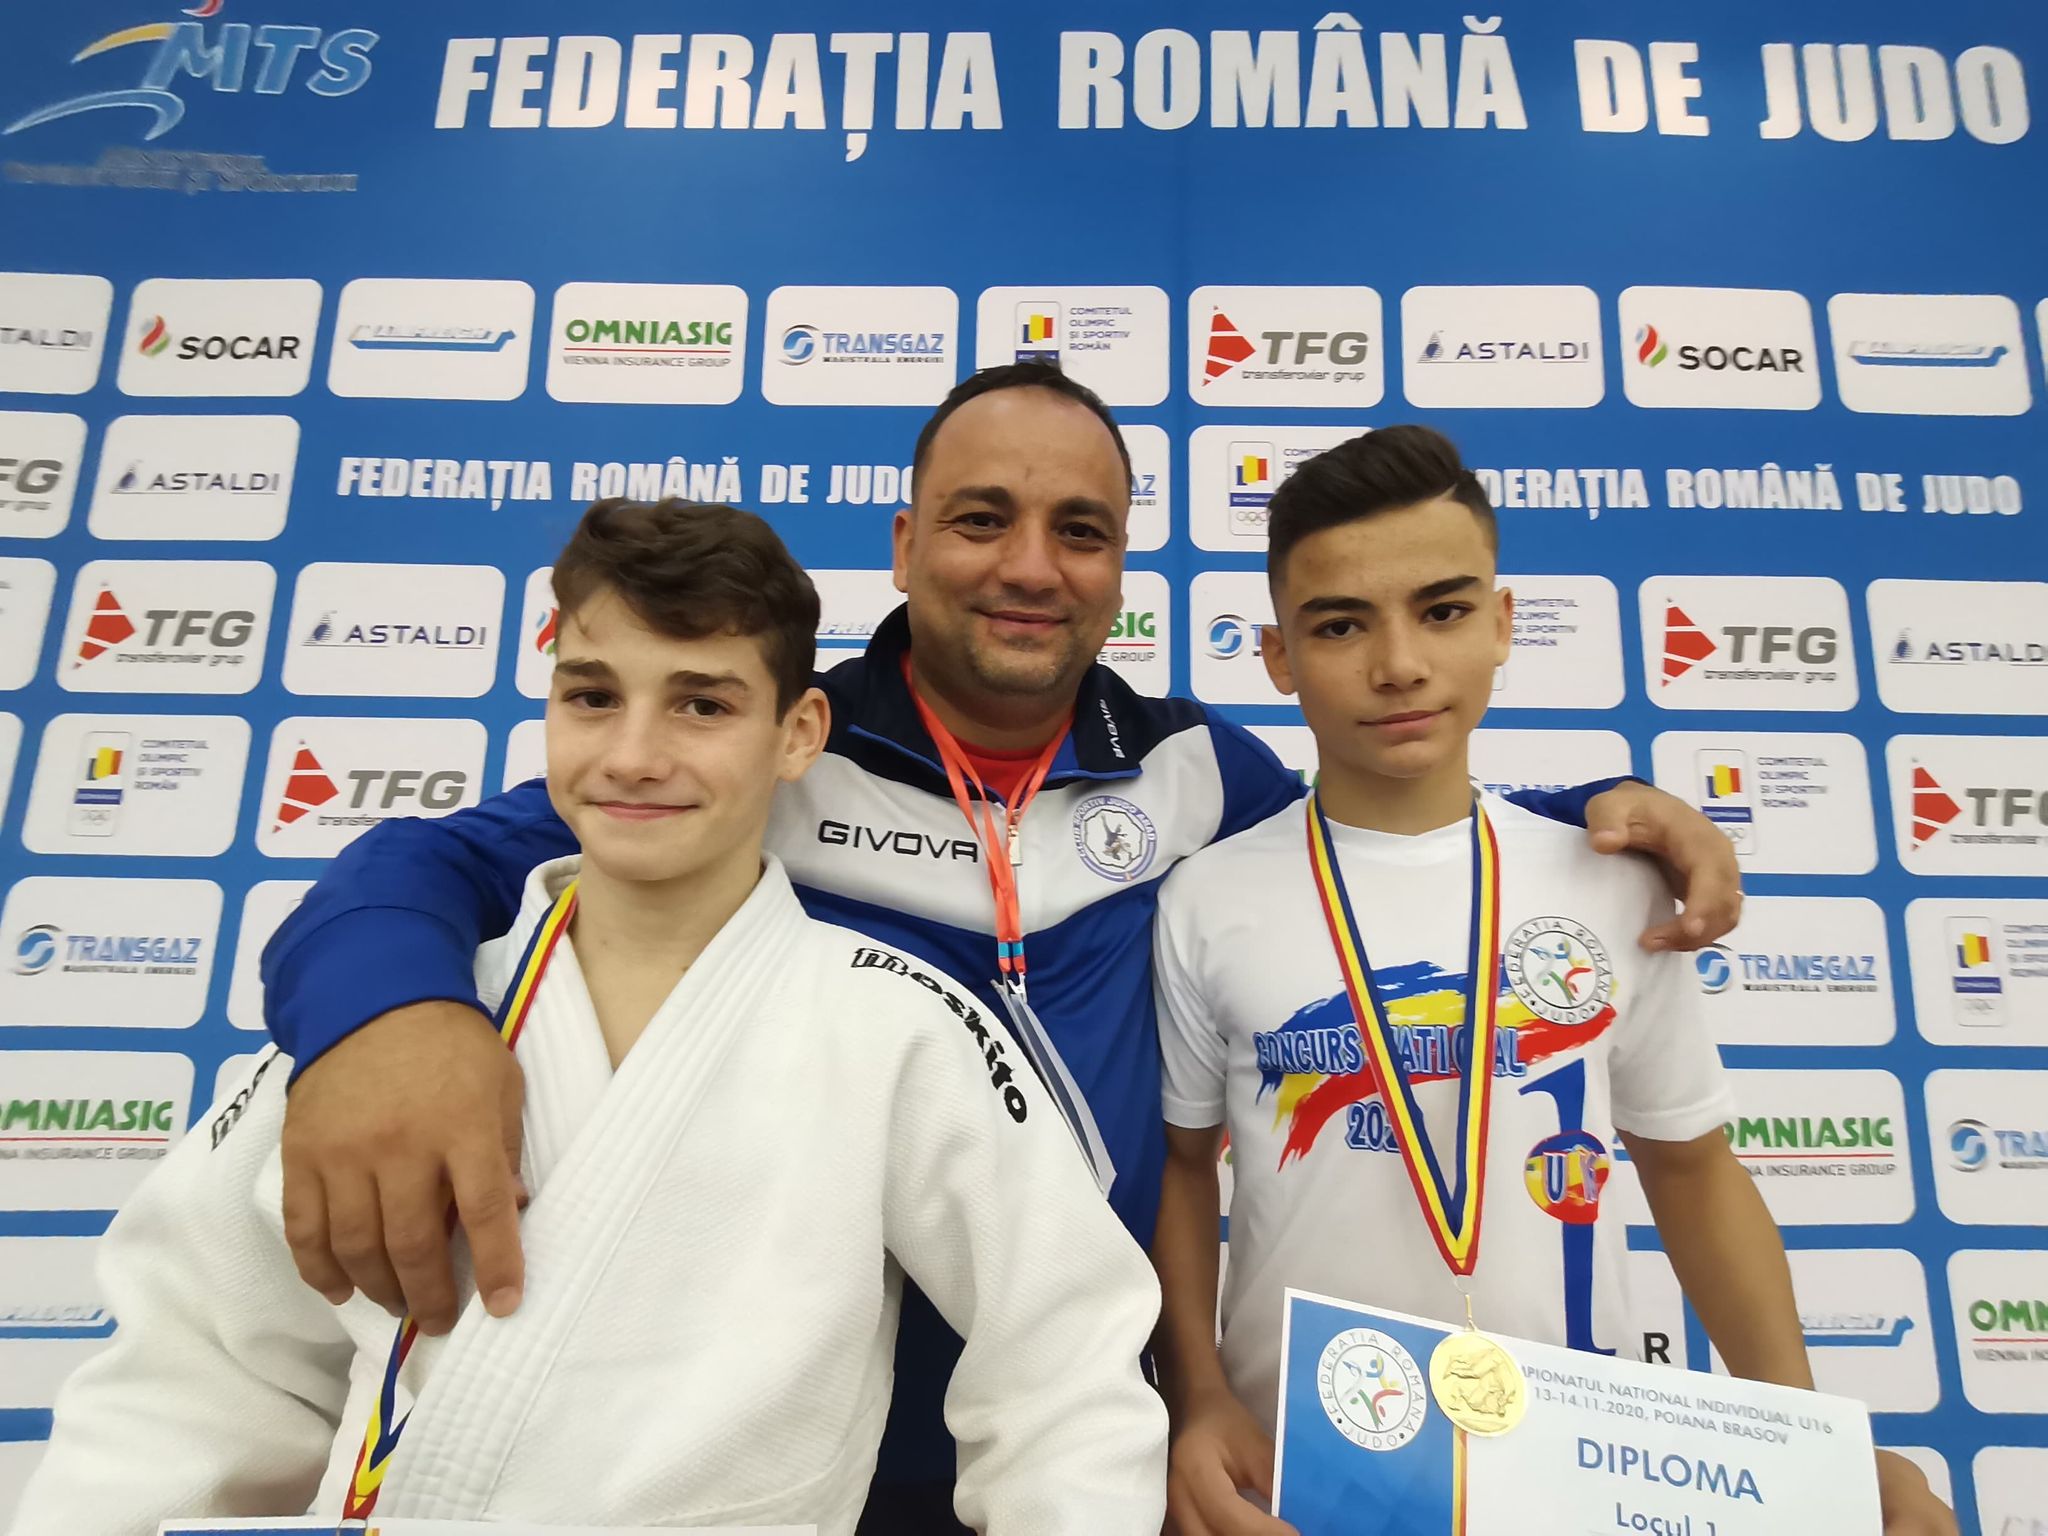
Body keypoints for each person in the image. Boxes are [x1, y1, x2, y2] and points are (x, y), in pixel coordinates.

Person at [255, 364, 1743, 1529]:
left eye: (1078, 531)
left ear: (1119, 567)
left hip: (1089, 1422)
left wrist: (1588, 817)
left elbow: (1383, 834)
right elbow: (426, 865)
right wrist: (384, 1020)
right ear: (906, 545)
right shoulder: (770, 743)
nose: (1031, 565)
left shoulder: (1196, 774)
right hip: (785, 1427)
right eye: (981, 521)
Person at [9, 500, 1168, 1536]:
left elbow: (1064, 1369)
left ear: (798, 735)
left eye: (701, 703)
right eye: (592, 696)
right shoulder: (400, 1028)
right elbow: (202, 1366)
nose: (632, 755)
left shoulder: (896, 1025)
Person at [1147, 426, 1956, 1536]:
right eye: (1340, 625)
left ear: (1501, 624)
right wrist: (1198, 1396)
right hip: (1299, 1461)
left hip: (1576, 1468)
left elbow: (1690, 1169)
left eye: (1441, 611)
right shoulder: (1207, 897)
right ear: (1279, 657)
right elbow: (1182, 1168)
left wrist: (1813, 1447)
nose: (1398, 664)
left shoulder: (1609, 881)